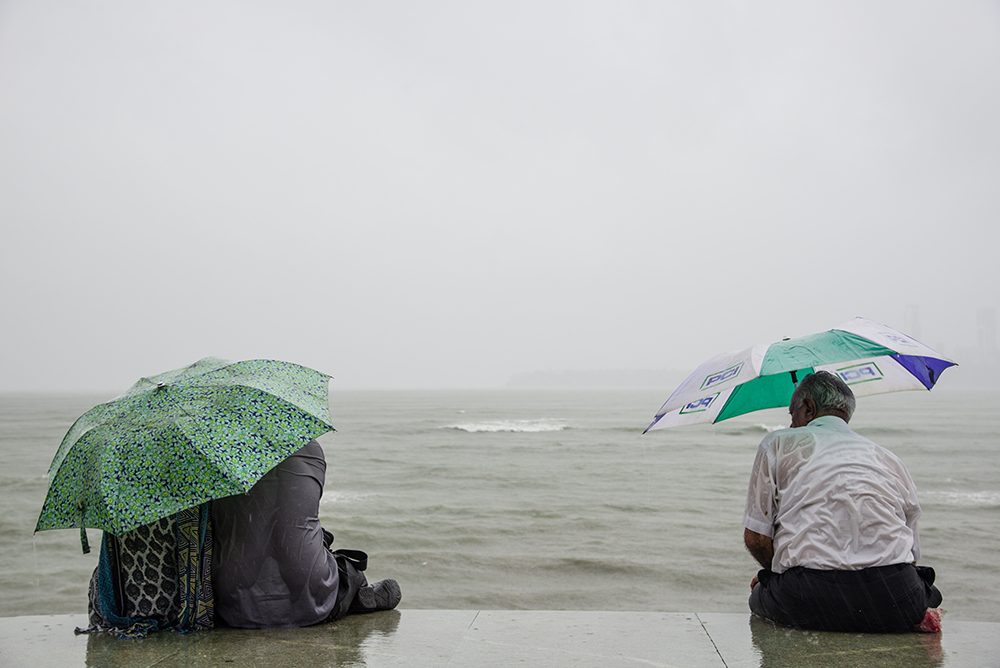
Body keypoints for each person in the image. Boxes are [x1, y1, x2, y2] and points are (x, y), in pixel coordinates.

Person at [742, 371, 942, 633]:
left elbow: (756, 538)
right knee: (927, 587)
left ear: (809, 408)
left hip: (808, 599)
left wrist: (774, 576)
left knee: (758, 594)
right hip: (896, 600)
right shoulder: (888, 458)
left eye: (793, 414)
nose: (791, 425)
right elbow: (912, 553)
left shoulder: (777, 443)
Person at [211, 440, 401, 628]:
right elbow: (297, 516)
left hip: (232, 603)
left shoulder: (216, 454)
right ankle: (355, 596)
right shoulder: (310, 448)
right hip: (312, 595)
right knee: (345, 569)